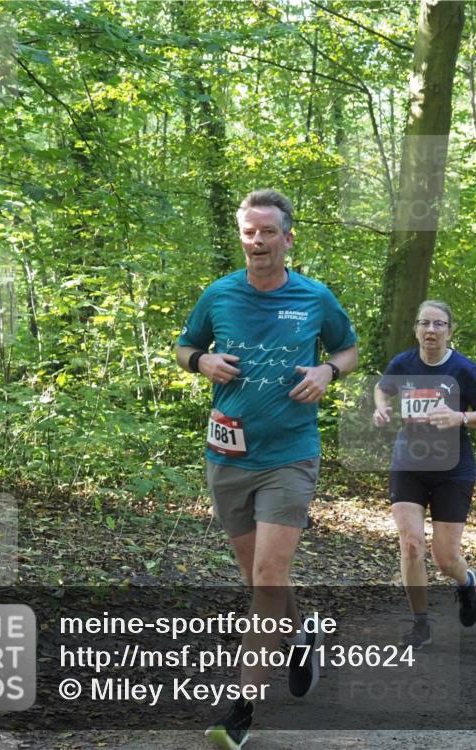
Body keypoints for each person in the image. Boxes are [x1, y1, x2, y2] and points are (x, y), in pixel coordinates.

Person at [176, 189, 358, 750]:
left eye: (267, 232)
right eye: (249, 233)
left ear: (287, 237)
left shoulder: (314, 296)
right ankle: (300, 635)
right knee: (258, 576)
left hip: (290, 455)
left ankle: (242, 709)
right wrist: (201, 360)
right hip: (227, 457)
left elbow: (348, 350)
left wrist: (328, 371)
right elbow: (184, 347)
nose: (257, 242)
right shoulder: (220, 294)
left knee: (269, 577)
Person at [372, 300, 476, 649]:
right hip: (408, 465)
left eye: (439, 324)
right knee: (411, 544)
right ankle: (420, 623)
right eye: (424, 323)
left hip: (453, 471)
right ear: (416, 329)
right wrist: (382, 408)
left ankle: (465, 582)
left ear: (449, 330)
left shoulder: (463, 369)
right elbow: (382, 388)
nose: (431, 330)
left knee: (445, 559)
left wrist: (462, 417)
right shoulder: (403, 363)